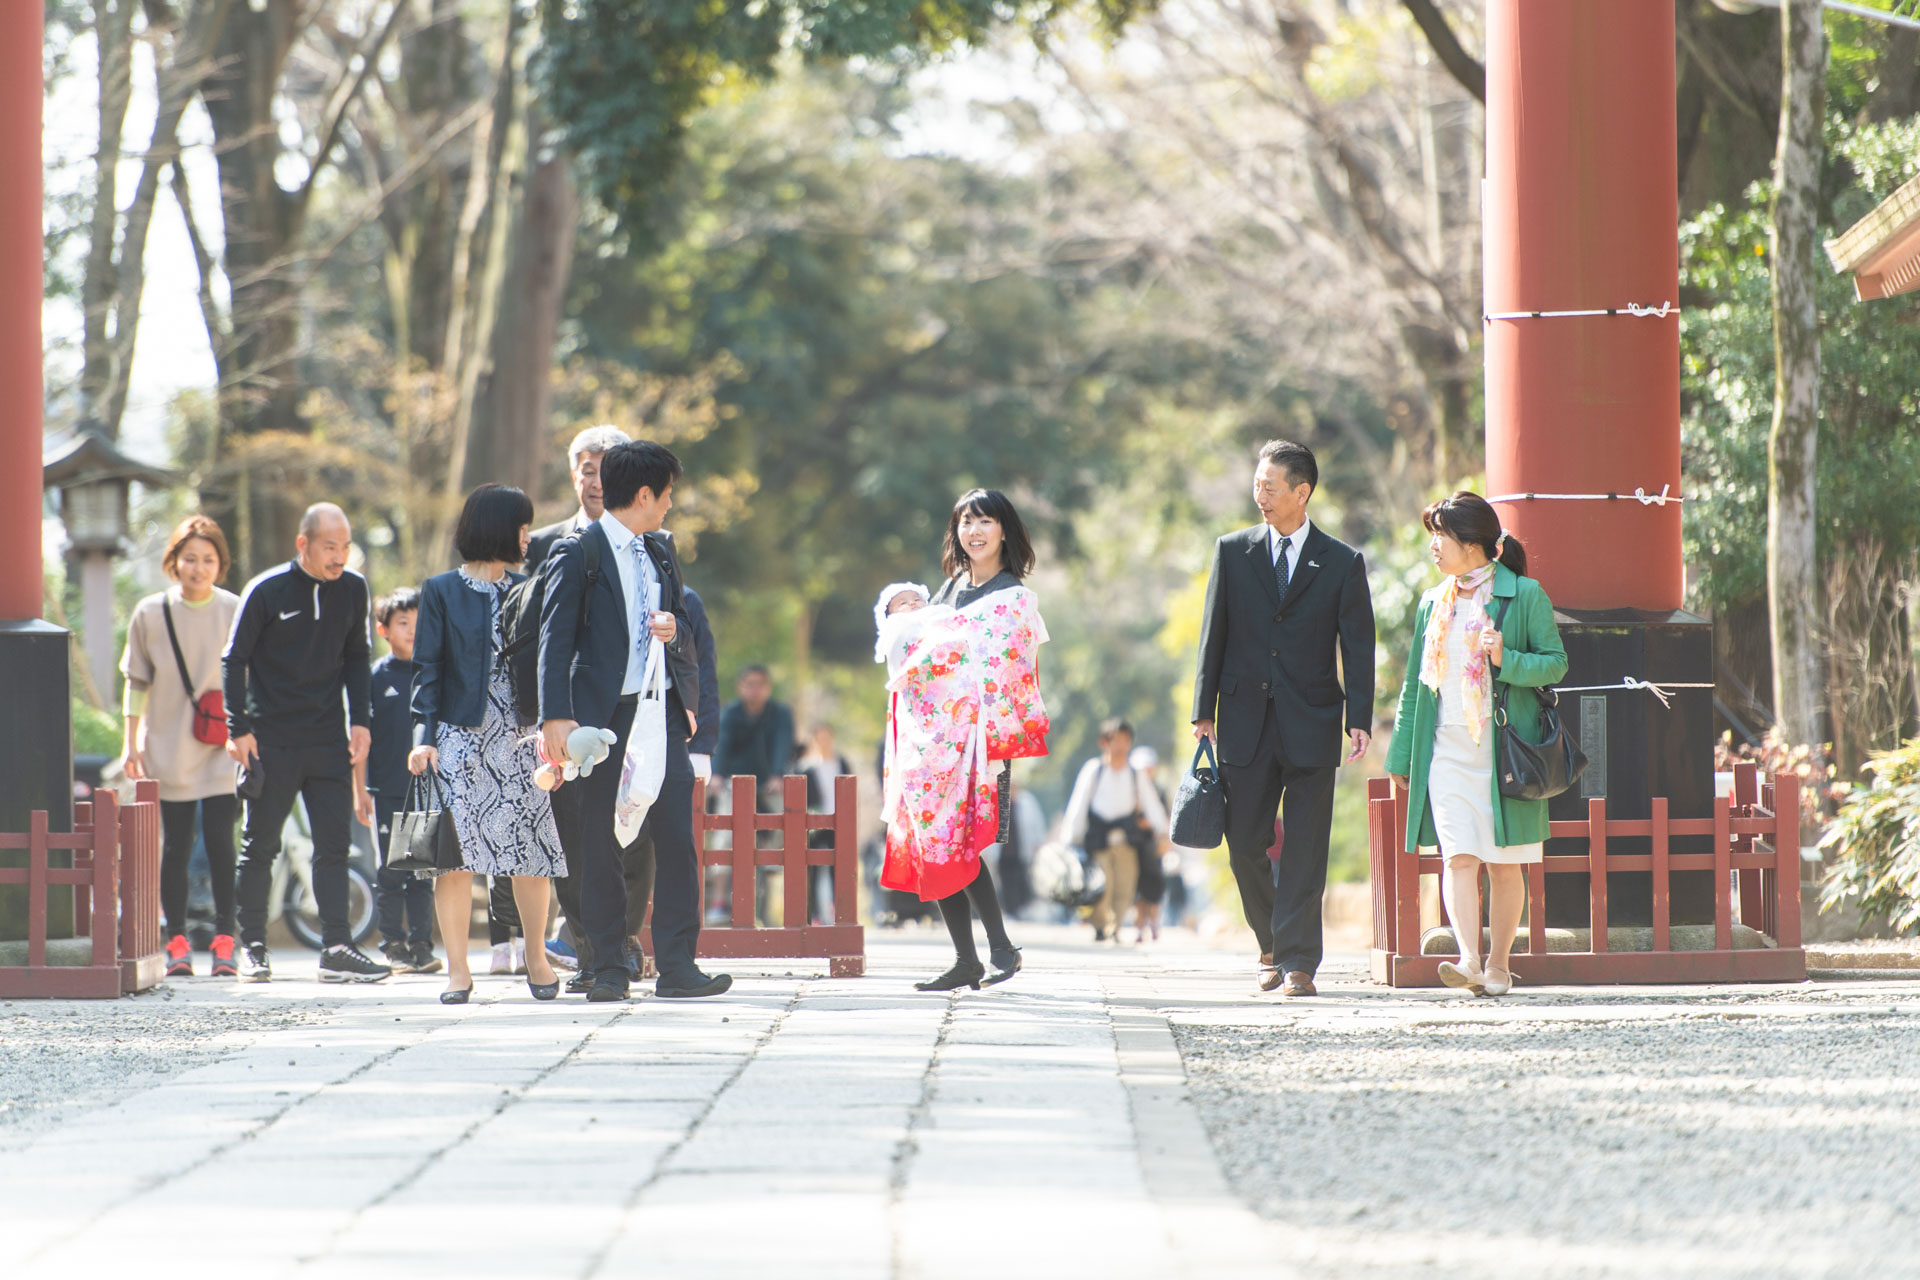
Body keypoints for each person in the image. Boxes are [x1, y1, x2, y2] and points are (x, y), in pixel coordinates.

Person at [537, 440, 730, 1002]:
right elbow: (554, 641)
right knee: (599, 841)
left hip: (661, 713)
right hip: (602, 719)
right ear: (643, 494)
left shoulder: (662, 551)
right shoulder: (579, 552)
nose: (670, 505)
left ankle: (677, 965)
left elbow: (681, 628)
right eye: (666, 495)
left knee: (675, 836)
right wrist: (556, 718)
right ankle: (607, 966)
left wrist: (671, 626)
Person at [1191, 440, 1375, 998]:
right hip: (1244, 718)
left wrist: (1359, 717)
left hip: (1313, 719)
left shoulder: (1342, 562)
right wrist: (1203, 712)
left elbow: (1359, 646)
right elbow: (1212, 633)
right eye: (1257, 486)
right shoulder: (1232, 551)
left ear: (1303, 492)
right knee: (1244, 839)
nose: (1260, 496)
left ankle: (1298, 961)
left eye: (1270, 487)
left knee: (1306, 844)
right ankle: (1269, 939)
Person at [1386, 492, 1567, 997]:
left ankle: (1499, 965)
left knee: (1505, 862)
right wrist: (1402, 754)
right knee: (1458, 856)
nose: (1433, 548)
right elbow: (1412, 687)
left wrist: (1506, 658)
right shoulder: (1432, 601)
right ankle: (1467, 959)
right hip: (1445, 747)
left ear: (1472, 543)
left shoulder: (1524, 594)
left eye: (1440, 537)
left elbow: (1555, 663)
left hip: (1504, 747)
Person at [879, 490, 1050, 992]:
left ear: (1004, 530)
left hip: (978, 744)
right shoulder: (946, 591)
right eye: (965, 522)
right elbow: (922, 659)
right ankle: (968, 959)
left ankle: (998, 947)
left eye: (985, 521)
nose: (974, 532)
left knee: (961, 843)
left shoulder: (1012, 598)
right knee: (936, 841)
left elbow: (1009, 671)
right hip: (931, 745)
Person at [407, 485, 566, 1003]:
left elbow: (548, 668)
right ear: (498, 528)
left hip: (521, 739)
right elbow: (426, 671)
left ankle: (537, 959)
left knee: (531, 853)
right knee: (453, 861)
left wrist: (552, 731)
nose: (527, 537)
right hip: (459, 739)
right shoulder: (440, 591)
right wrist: (422, 738)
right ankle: (458, 971)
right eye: (521, 528)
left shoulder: (531, 589)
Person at [223, 503, 390, 983]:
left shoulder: (354, 588)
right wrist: (239, 729)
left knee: (334, 846)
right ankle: (252, 948)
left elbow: (358, 658)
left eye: (346, 546)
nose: (340, 557)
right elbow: (233, 660)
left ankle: (337, 947)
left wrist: (361, 721)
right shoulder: (267, 590)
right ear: (304, 544)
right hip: (270, 740)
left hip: (326, 739)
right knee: (259, 846)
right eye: (330, 547)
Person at [119, 516, 242, 978]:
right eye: (190, 558)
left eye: (208, 560)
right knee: (174, 847)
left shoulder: (234, 608)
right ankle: (177, 942)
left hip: (219, 745)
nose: (198, 568)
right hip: (168, 744)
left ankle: (227, 940)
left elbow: (249, 675)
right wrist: (129, 743)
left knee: (221, 846)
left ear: (220, 564)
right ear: (173, 561)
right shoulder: (150, 613)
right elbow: (137, 681)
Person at [353, 588, 440, 975]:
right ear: (383, 629)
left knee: (421, 870)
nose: (412, 631)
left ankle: (422, 945)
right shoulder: (374, 677)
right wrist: (360, 792)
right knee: (390, 872)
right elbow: (359, 743)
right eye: (403, 623)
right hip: (385, 790)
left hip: (422, 789)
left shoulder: (432, 673)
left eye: (419, 624)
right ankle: (392, 944)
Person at [1063, 719, 1168, 944]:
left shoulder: (1135, 773)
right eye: (1116, 741)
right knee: (1102, 886)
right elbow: (1079, 804)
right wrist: (1070, 837)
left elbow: (1151, 804)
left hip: (1127, 840)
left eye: (1125, 741)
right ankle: (1101, 925)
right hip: (1099, 839)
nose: (1121, 746)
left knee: (1125, 888)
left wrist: (1163, 832)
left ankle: (1115, 927)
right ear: (1105, 743)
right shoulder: (1094, 770)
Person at [797, 723, 854, 924]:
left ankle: (838, 911)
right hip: (814, 823)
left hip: (838, 821)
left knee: (838, 869)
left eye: (826, 737)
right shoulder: (806, 766)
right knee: (811, 869)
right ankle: (813, 915)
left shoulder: (841, 763)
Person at [713, 665, 796, 798]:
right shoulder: (729, 713)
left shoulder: (781, 713)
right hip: (735, 784)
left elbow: (783, 745)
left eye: (760, 684)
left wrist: (778, 775)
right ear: (739, 686)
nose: (755, 689)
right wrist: (717, 774)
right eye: (750, 684)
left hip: (771, 784)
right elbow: (722, 744)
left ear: (769, 687)